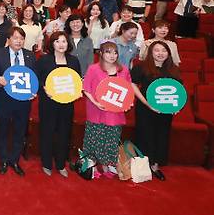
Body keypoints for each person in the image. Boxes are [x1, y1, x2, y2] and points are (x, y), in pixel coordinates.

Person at [82, 41, 136, 178]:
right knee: (94, 137)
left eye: (115, 52)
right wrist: (95, 102)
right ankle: (92, 165)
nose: (112, 55)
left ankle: (108, 164)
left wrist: (128, 103)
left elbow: (128, 89)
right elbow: (86, 88)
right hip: (97, 109)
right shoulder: (93, 69)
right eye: (108, 52)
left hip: (115, 111)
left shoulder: (123, 69)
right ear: (101, 53)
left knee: (112, 137)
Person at [131, 41, 181, 181]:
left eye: (164, 51)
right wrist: (146, 103)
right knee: (145, 136)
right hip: (145, 109)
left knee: (161, 137)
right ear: (151, 52)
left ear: (168, 53)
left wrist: (176, 107)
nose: (160, 53)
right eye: (157, 50)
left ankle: (155, 166)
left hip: (165, 110)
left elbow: (179, 90)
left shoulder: (173, 69)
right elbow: (132, 84)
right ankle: (143, 165)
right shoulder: (141, 67)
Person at [0, 27, 37, 177]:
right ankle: (3, 160)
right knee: (3, 129)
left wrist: (33, 91)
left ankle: (15, 160)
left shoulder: (30, 56)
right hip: (4, 98)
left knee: (19, 131)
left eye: (21, 38)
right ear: (9, 39)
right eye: (16, 38)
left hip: (23, 101)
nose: (19, 41)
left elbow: (33, 78)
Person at [36, 31, 81, 177]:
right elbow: (37, 80)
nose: (61, 44)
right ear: (52, 44)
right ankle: (47, 163)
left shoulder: (74, 61)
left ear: (68, 44)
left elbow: (77, 80)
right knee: (47, 132)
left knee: (64, 133)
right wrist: (43, 88)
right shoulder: (44, 60)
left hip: (67, 103)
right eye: (57, 41)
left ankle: (61, 164)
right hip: (48, 103)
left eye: (64, 41)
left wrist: (78, 91)